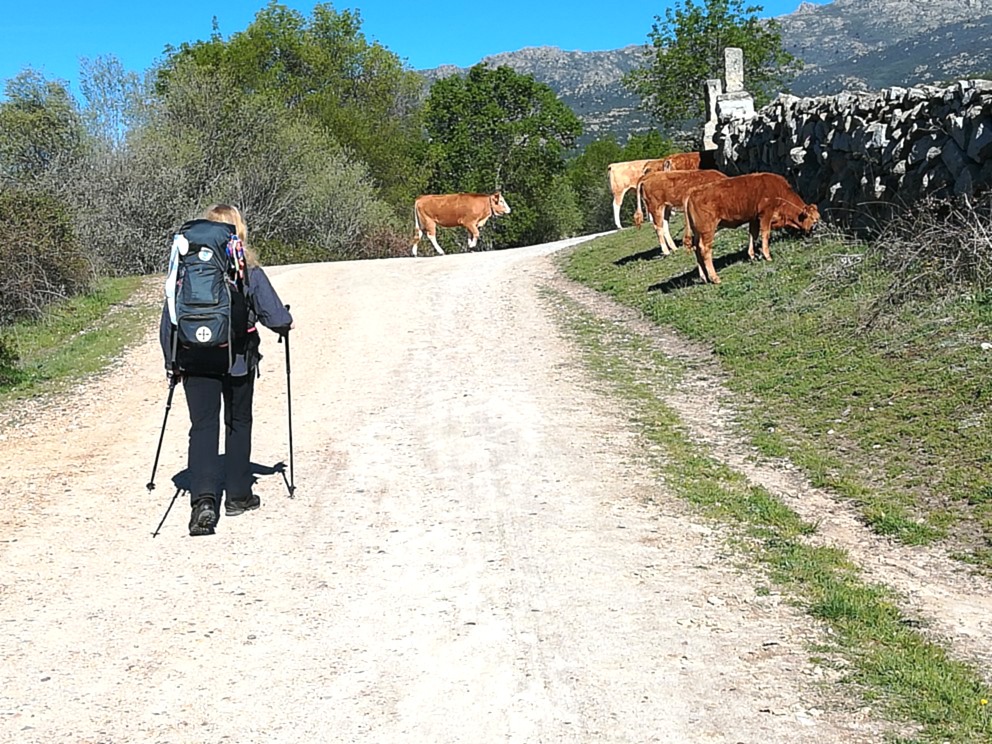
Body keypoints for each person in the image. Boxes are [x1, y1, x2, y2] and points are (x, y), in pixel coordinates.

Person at [159, 204, 294, 536]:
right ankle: (237, 496)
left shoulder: (185, 272)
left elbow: (169, 321)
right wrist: (285, 323)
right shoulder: (247, 269)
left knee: (202, 427)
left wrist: (171, 363)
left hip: (193, 359)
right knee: (237, 423)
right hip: (237, 361)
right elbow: (276, 318)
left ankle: (203, 503)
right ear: (237, 231)